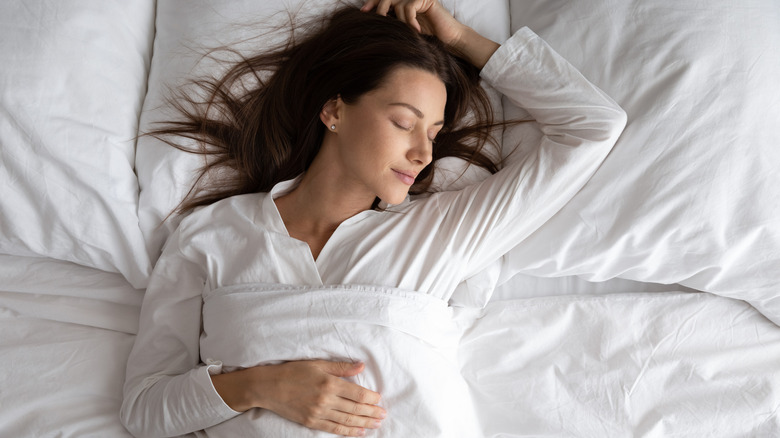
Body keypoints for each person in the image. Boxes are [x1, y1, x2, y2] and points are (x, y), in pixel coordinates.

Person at [121, 0, 627, 437]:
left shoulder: (440, 232)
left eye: (433, 131)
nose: (423, 152)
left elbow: (593, 125)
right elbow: (144, 407)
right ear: (335, 112)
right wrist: (260, 385)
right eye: (403, 122)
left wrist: (456, 35)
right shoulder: (212, 235)